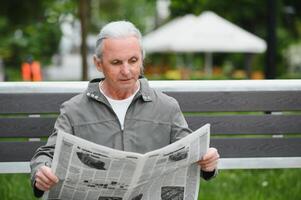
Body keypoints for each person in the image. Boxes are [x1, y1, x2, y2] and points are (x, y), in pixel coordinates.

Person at [30, 21, 219, 198]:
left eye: (133, 60)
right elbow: (48, 154)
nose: (127, 70)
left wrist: (208, 164)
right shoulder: (74, 110)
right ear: (98, 64)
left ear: (142, 60)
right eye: (116, 63)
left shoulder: (167, 107)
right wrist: (42, 170)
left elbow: (191, 153)